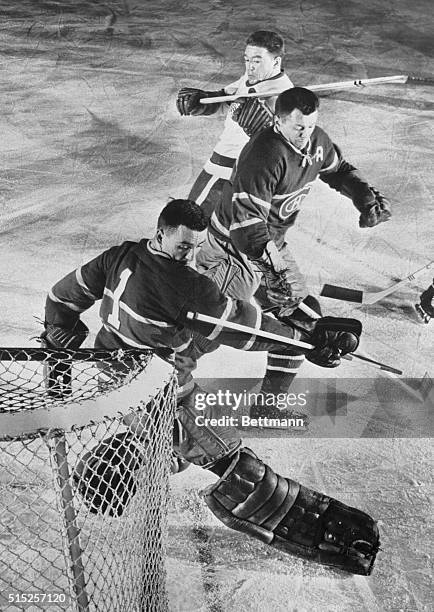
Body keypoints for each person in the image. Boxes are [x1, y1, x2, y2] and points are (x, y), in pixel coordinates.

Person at [42, 199, 379, 576]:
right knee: (231, 462)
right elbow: (245, 330)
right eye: (184, 246)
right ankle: (313, 529)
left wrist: (61, 339)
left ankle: (110, 470)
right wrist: (309, 339)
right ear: (161, 235)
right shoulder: (181, 283)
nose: (191, 255)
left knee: (180, 449)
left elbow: (60, 296)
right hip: (160, 393)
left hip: (115, 378)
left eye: (198, 247)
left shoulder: (121, 256)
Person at [196, 86, 392, 384]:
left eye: (311, 126)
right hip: (232, 252)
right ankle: (155, 387)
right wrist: (276, 274)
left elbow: (338, 170)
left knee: (306, 321)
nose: (306, 134)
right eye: (299, 127)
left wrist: (366, 199)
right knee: (208, 328)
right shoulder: (263, 156)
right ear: (279, 121)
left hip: (270, 245)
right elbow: (247, 229)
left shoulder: (316, 141)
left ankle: (268, 407)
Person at [176, 30, 293, 219]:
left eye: (256, 61)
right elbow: (224, 100)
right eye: (246, 60)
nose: (249, 67)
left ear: (276, 62)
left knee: (190, 222)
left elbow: (291, 149)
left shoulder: (284, 97)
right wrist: (202, 101)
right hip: (226, 165)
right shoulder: (249, 79)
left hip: (229, 169)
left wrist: (260, 134)